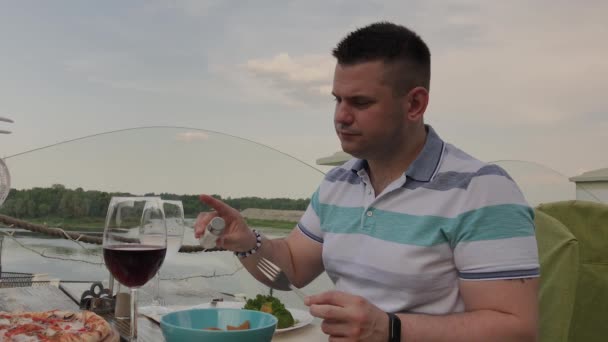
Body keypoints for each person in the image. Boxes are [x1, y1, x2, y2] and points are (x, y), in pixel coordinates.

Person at [195, 21, 539, 341]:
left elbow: (516, 328)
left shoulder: (480, 190)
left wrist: (390, 328)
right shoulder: (338, 182)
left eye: (360, 102)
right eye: (338, 100)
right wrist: (246, 242)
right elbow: (294, 268)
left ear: (415, 104)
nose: (341, 117)